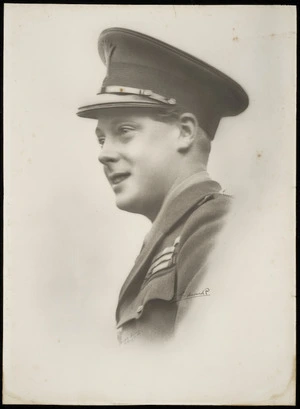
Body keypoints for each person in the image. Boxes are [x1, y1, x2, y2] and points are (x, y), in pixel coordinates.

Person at [77, 27, 249, 344]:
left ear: (184, 132)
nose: (104, 154)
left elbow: (207, 372)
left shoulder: (218, 229)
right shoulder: (174, 236)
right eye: (102, 139)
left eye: (125, 131)